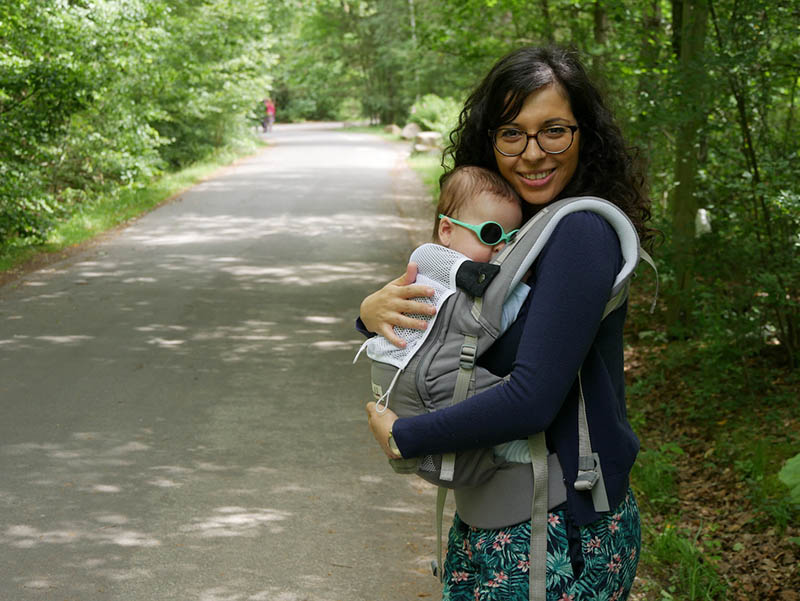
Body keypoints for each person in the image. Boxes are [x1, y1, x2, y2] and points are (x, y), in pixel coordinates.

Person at [360, 45, 653, 600]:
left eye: (554, 131)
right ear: (491, 140)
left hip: (562, 526)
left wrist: (407, 436)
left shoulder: (580, 234)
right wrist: (371, 314)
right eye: (512, 133)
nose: (533, 153)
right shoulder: (516, 231)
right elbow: (453, 326)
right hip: (505, 515)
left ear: (582, 133)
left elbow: (533, 398)